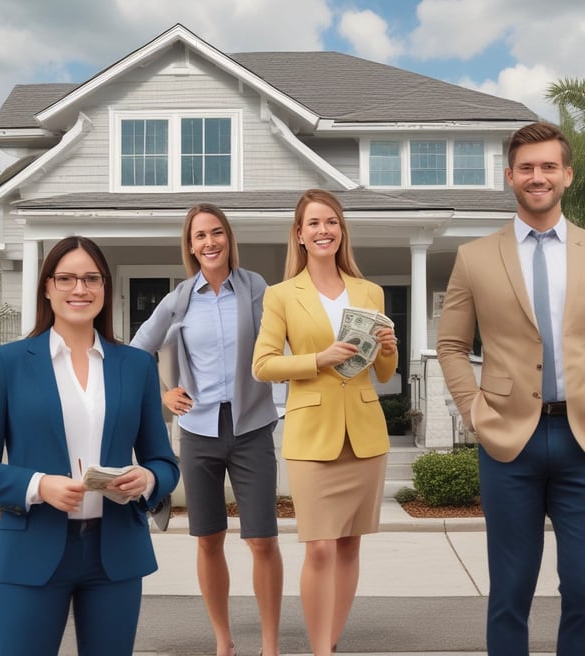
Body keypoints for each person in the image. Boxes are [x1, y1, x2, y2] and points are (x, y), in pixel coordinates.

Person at [436, 122, 585, 656]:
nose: (538, 177)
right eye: (527, 168)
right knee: (509, 593)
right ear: (509, 176)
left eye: (549, 167)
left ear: (568, 175)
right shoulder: (474, 257)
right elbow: (450, 345)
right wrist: (472, 410)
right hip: (509, 442)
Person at [0, 236, 180, 656]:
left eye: (92, 278)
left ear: (105, 288)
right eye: (67, 278)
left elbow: (164, 463)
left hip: (115, 555)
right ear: (47, 287)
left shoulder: (135, 366)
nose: (81, 289)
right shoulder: (10, 363)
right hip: (33, 550)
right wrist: (40, 486)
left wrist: (148, 478)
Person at [130, 203, 283, 656]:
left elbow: (290, 337)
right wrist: (162, 395)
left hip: (251, 425)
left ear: (229, 238)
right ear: (190, 246)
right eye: (200, 236)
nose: (210, 242)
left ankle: (270, 645)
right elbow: (137, 351)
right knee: (209, 538)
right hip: (198, 430)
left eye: (217, 233)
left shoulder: (257, 289)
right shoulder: (179, 299)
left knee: (261, 539)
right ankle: (223, 641)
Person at [252, 188, 398, 656]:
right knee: (319, 548)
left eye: (331, 222)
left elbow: (382, 373)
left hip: (364, 434)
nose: (323, 230)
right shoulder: (280, 296)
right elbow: (264, 365)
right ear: (299, 234)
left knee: (350, 547)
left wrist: (390, 351)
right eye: (313, 223)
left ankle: (331, 644)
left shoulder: (369, 291)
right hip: (312, 436)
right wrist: (318, 358)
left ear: (341, 231)